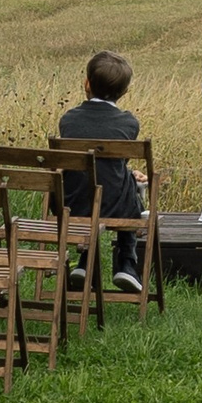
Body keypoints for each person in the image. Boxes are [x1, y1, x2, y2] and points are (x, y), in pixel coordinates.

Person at [57, 49, 148, 293]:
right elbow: (115, 165)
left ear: (86, 83)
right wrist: (132, 174)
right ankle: (126, 262)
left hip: (71, 205)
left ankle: (86, 262)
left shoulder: (68, 120)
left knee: (94, 184)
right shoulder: (129, 123)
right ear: (125, 92)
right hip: (114, 206)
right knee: (126, 185)